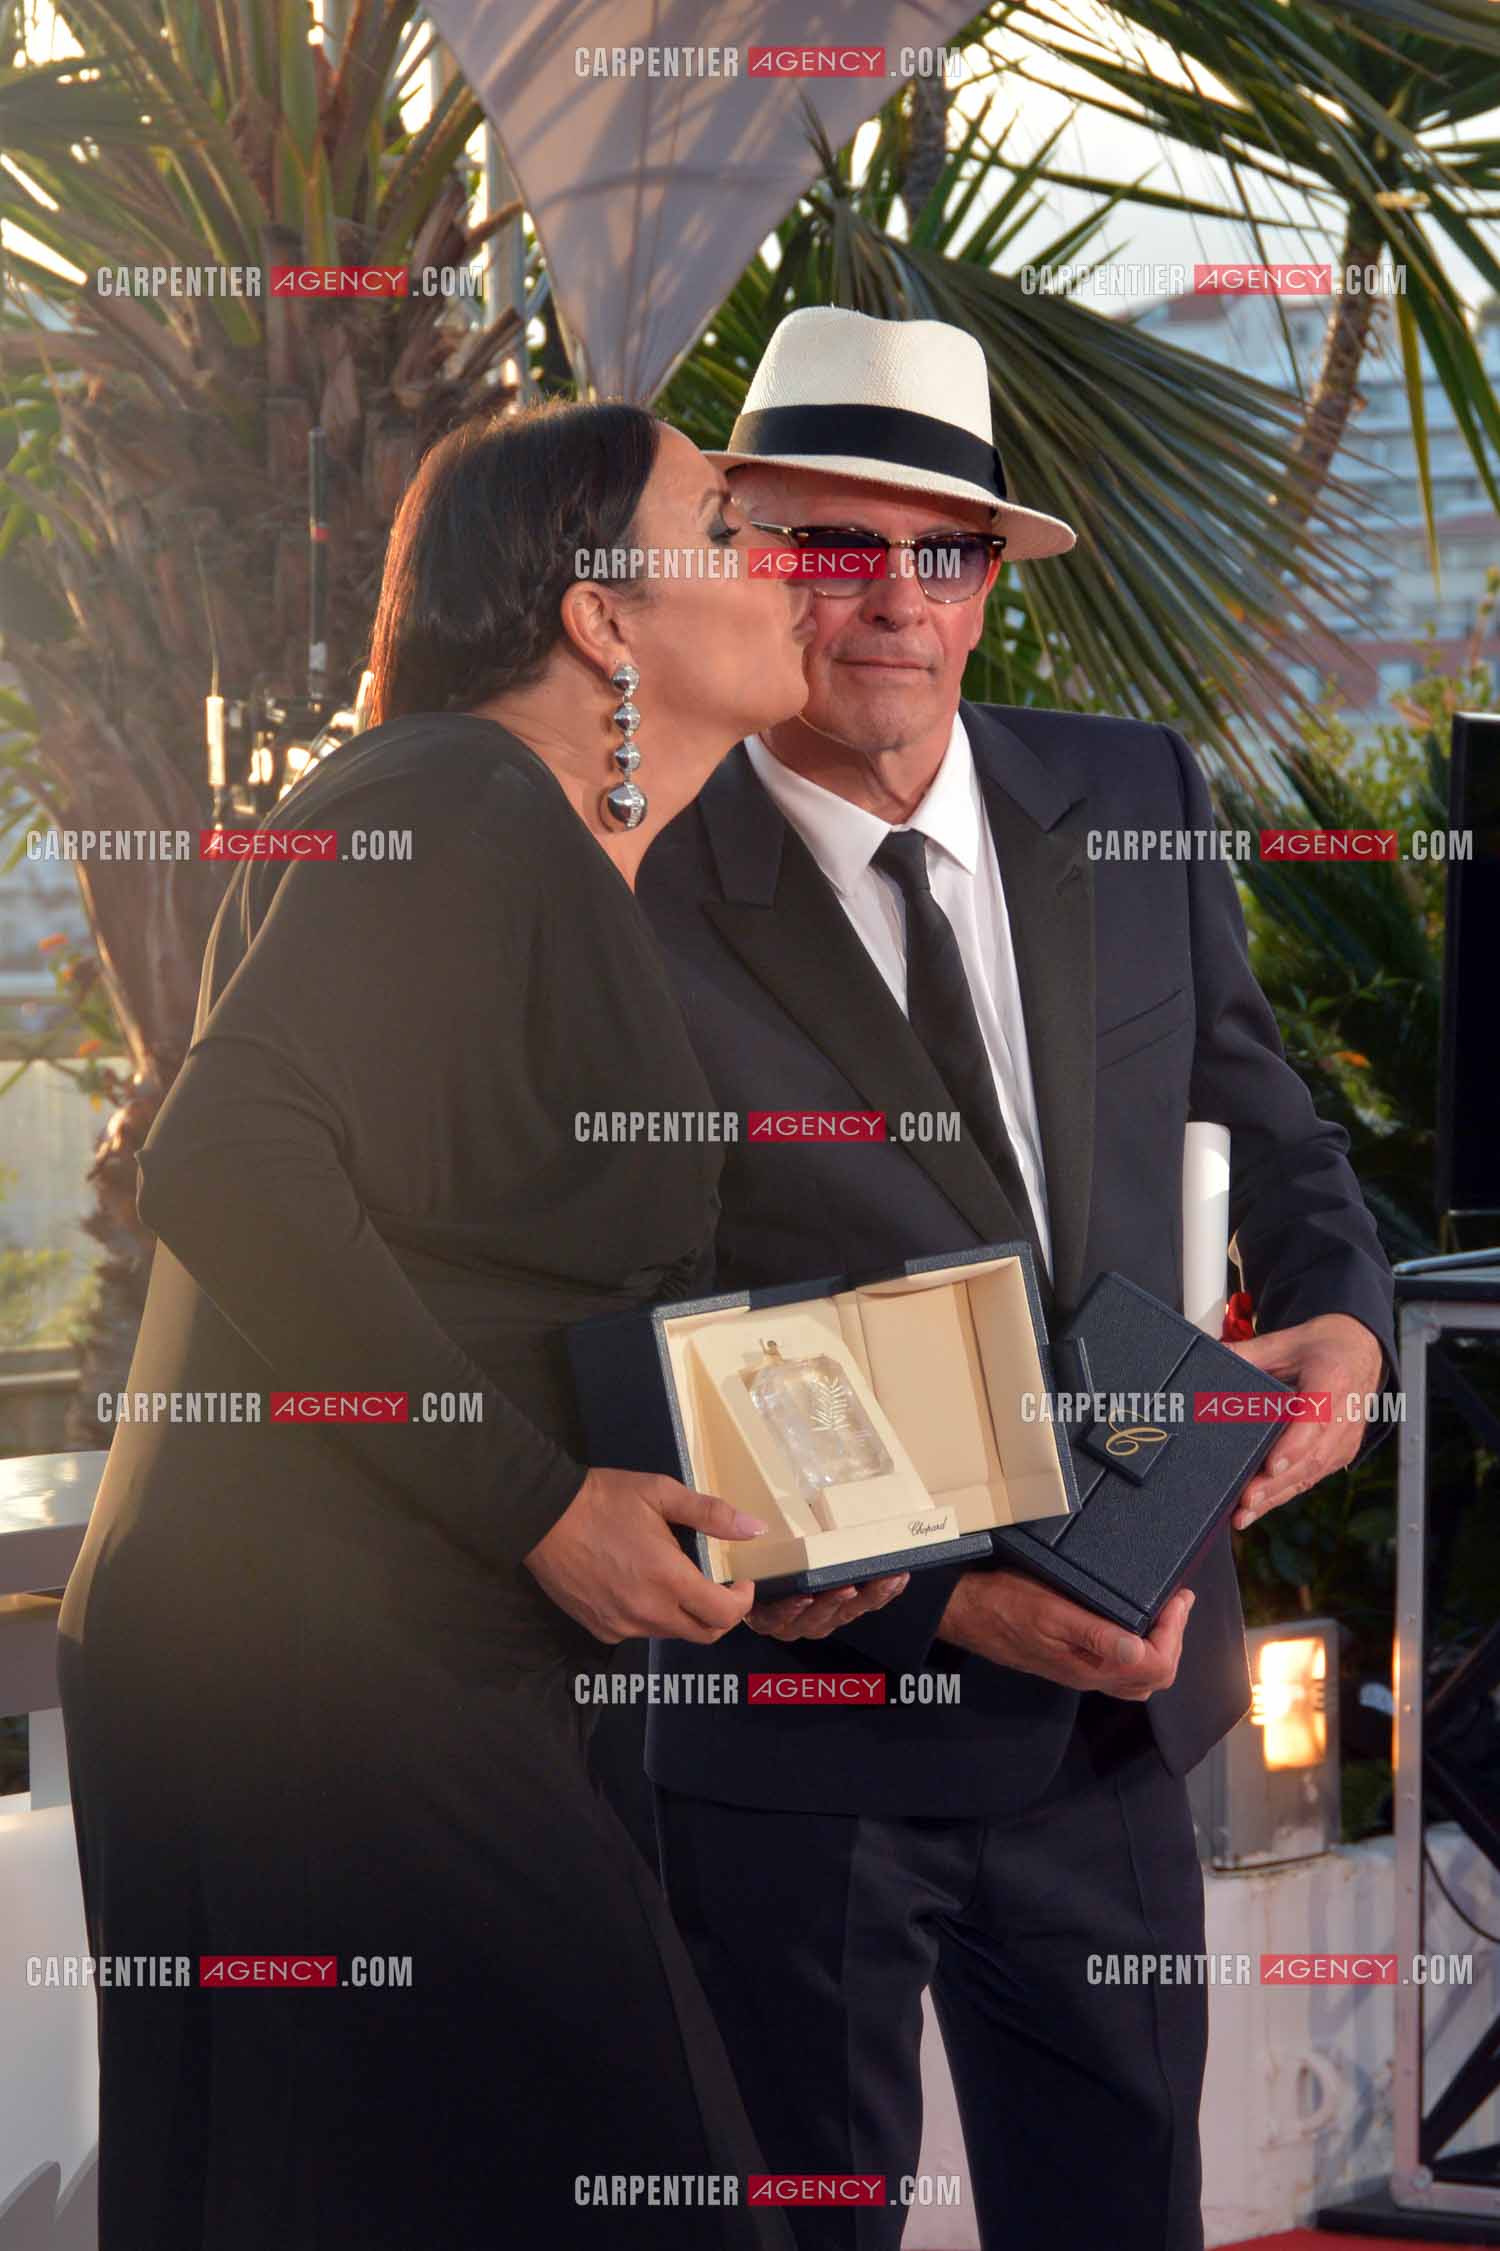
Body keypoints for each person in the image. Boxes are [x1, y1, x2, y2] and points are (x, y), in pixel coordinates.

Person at [634, 307, 1397, 2251]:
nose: (892, 598)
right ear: (744, 554)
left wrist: (1340, 1324)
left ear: (986, 588)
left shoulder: (1129, 791)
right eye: (831, 544)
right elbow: (633, 1329)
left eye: (943, 549)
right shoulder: (627, 872)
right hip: (806, 1751)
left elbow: (1270, 1121)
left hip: (1123, 1732)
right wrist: (961, 1587)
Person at [56, 400, 817, 2249]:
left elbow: (500, 1283)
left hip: (386, 1654)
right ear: (601, 621)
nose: (789, 561)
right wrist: (545, 1508)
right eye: (729, 523)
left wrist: (759, 1538)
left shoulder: (543, 850)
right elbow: (225, 1161)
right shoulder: (452, 796)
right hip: (329, 1671)